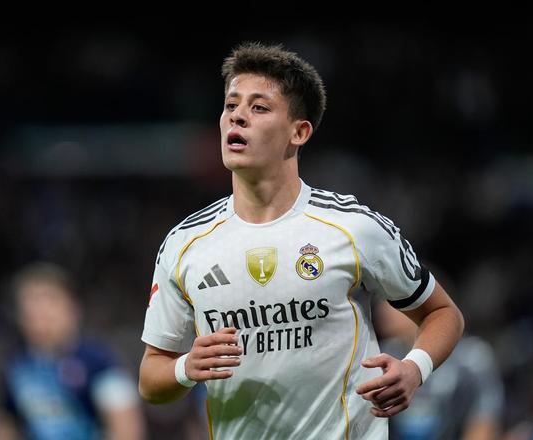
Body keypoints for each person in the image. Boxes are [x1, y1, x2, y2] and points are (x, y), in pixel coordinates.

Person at [138, 42, 464, 439]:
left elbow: (443, 313)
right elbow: (150, 378)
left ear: (299, 131)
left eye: (259, 107)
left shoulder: (354, 228)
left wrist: (414, 369)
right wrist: (185, 367)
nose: (237, 116)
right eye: (231, 105)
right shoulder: (185, 244)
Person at [0, 262, 146, 440]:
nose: (39, 311)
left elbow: (126, 428)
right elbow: (3, 424)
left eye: (49, 300)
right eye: (31, 303)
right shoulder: (17, 367)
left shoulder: (99, 361)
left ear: (72, 308)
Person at [375, 299, 503, 440]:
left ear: (425, 303)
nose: (382, 309)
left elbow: (484, 417)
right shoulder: (383, 353)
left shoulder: (471, 358)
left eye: (392, 298)